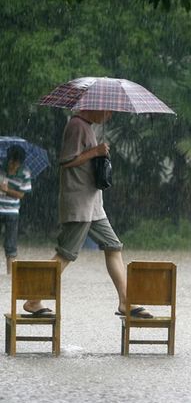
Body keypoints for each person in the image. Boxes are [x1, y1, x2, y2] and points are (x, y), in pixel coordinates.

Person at [23, 110, 152, 318]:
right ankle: (33, 300)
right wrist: (96, 152)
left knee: (113, 246)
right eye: (108, 111)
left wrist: (99, 153)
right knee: (65, 254)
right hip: (79, 204)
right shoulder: (76, 125)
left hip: (94, 204)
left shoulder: (88, 128)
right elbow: (66, 161)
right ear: (95, 107)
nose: (109, 116)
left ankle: (125, 301)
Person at [0, 145, 32, 274]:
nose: (13, 165)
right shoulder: (1, 167)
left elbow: (21, 195)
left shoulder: (25, 173)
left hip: (12, 212)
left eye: (16, 163)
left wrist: (7, 191)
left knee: (11, 245)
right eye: (11, 161)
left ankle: (10, 274)